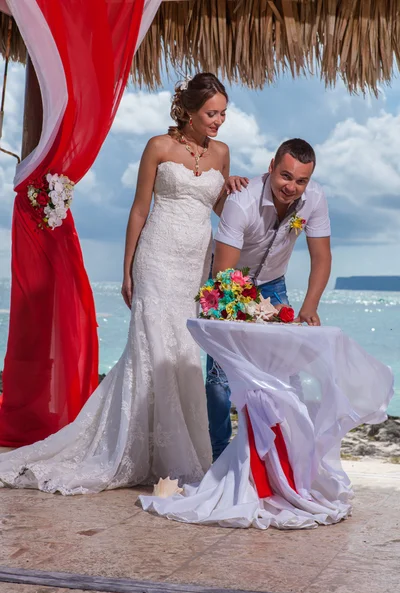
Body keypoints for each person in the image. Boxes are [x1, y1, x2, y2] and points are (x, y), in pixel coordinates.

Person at [0, 73, 247, 494]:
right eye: (211, 113)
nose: (218, 121)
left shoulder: (222, 153)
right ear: (188, 110)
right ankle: (137, 450)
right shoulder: (158, 147)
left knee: (184, 351)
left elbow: (218, 206)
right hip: (156, 259)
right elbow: (138, 210)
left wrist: (234, 190)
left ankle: (176, 454)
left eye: (223, 113)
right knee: (152, 348)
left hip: (192, 267)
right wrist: (128, 268)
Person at [206, 138, 332, 461]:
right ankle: (220, 457)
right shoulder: (241, 202)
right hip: (229, 284)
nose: (292, 187)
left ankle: (289, 454)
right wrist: (239, 312)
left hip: (274, 284)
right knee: (220, 376)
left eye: (301, 180)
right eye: (286, 176)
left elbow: (321, 257)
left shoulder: (314, 199)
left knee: (286, 374)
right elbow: (223, 273)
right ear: (271, 167)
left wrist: (309, 307)